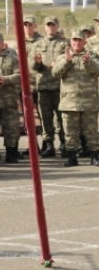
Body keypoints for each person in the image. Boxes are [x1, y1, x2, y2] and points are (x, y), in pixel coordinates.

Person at [52, 29, 99, 167]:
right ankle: (72, 157)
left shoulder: (92, 56)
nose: (77, 42)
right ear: (70, 41)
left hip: (89, 102)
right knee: (70, 132)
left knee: (91, 131)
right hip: (69, 102)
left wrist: (89, 62)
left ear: (85, 42)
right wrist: (66, 61)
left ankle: (95, 155)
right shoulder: (63, 57)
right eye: (74, 40)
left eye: (80, 40)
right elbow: (55, 73)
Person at [29, 16, 69, 157]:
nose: (51, 27)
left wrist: (58, 64)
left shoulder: (64, 43)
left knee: (62, 118)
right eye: (48, 25)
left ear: (57, 26)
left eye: (53, 25)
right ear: (45, 27)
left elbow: (69, 62)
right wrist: (38, 63)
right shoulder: (38, 44)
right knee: (45, 118)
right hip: (43, 87)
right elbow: (32, 66)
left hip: (60, 87)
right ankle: (49, 145)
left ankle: (64, 144)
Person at [0, 32, 22, 164]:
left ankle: (11, 153)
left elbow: (19, 75)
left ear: (2, 43)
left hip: (9, 100)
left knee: (11, 128)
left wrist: (5, 79)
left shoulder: (11, 57)